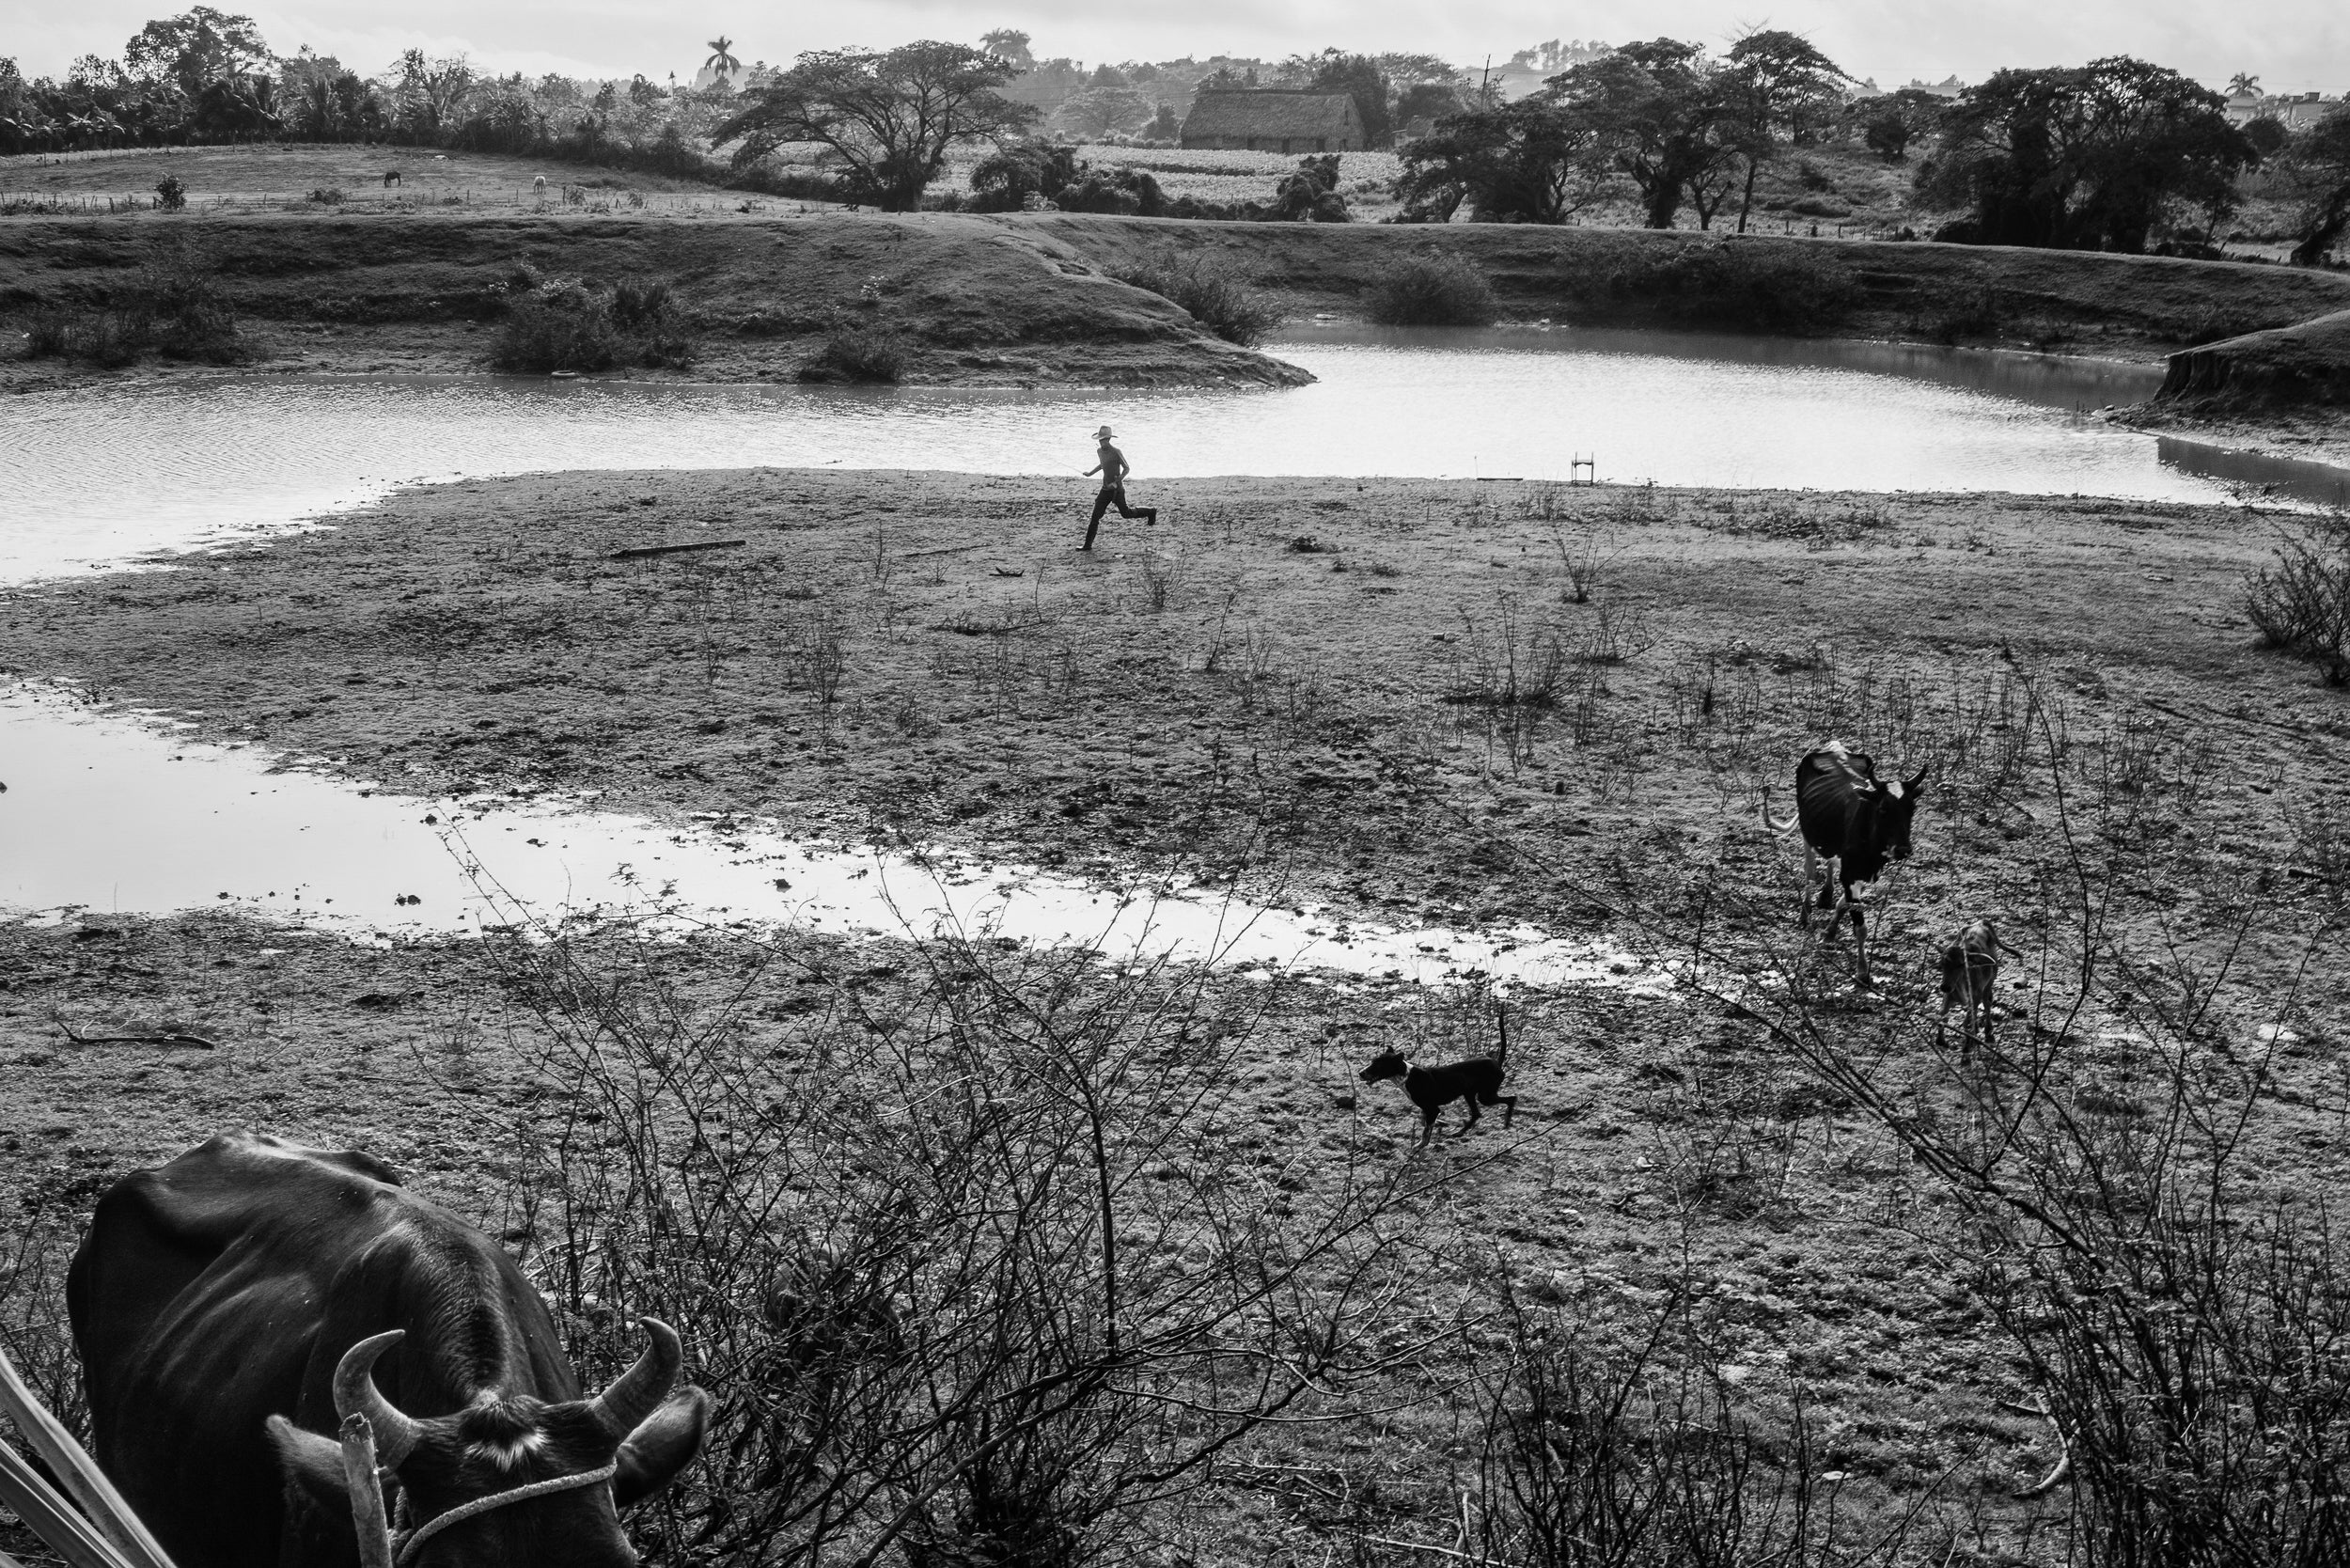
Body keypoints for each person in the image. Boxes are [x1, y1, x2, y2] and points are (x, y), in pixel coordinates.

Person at [1080, 425, 1156, 550]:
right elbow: (1102, 465)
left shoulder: (1116, 452)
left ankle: (1151, 511)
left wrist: (1117, 481)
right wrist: (1090, 473)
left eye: (1103, 439)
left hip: (1117, 490)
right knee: (1095, 517)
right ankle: (1087, 545)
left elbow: (1127, 468)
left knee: (1126, 513)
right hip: (1105, 490)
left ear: (1108, 439)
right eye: (1100, 440)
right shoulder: (1099, 451)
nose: (1101, 442)